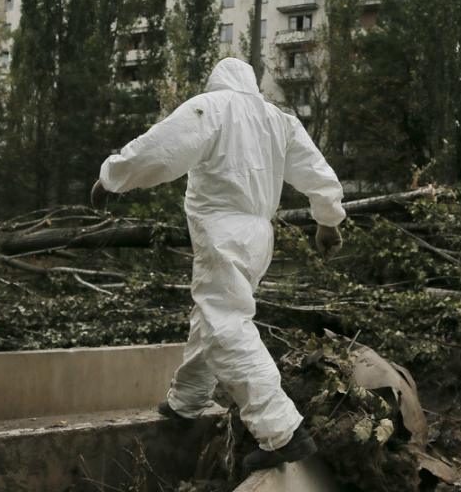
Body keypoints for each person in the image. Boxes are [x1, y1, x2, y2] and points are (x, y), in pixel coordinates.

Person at [91, 57, 345, 472]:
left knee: (226, 323)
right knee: (212, 317)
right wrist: (328, 222)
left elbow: (161, 148)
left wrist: (112, 177)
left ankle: (282, 430)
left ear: (217, 81)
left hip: (222, 230)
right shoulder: (279, 121)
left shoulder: (210, 107)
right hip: (260, 235)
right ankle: (187, 401)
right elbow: (318, 174)